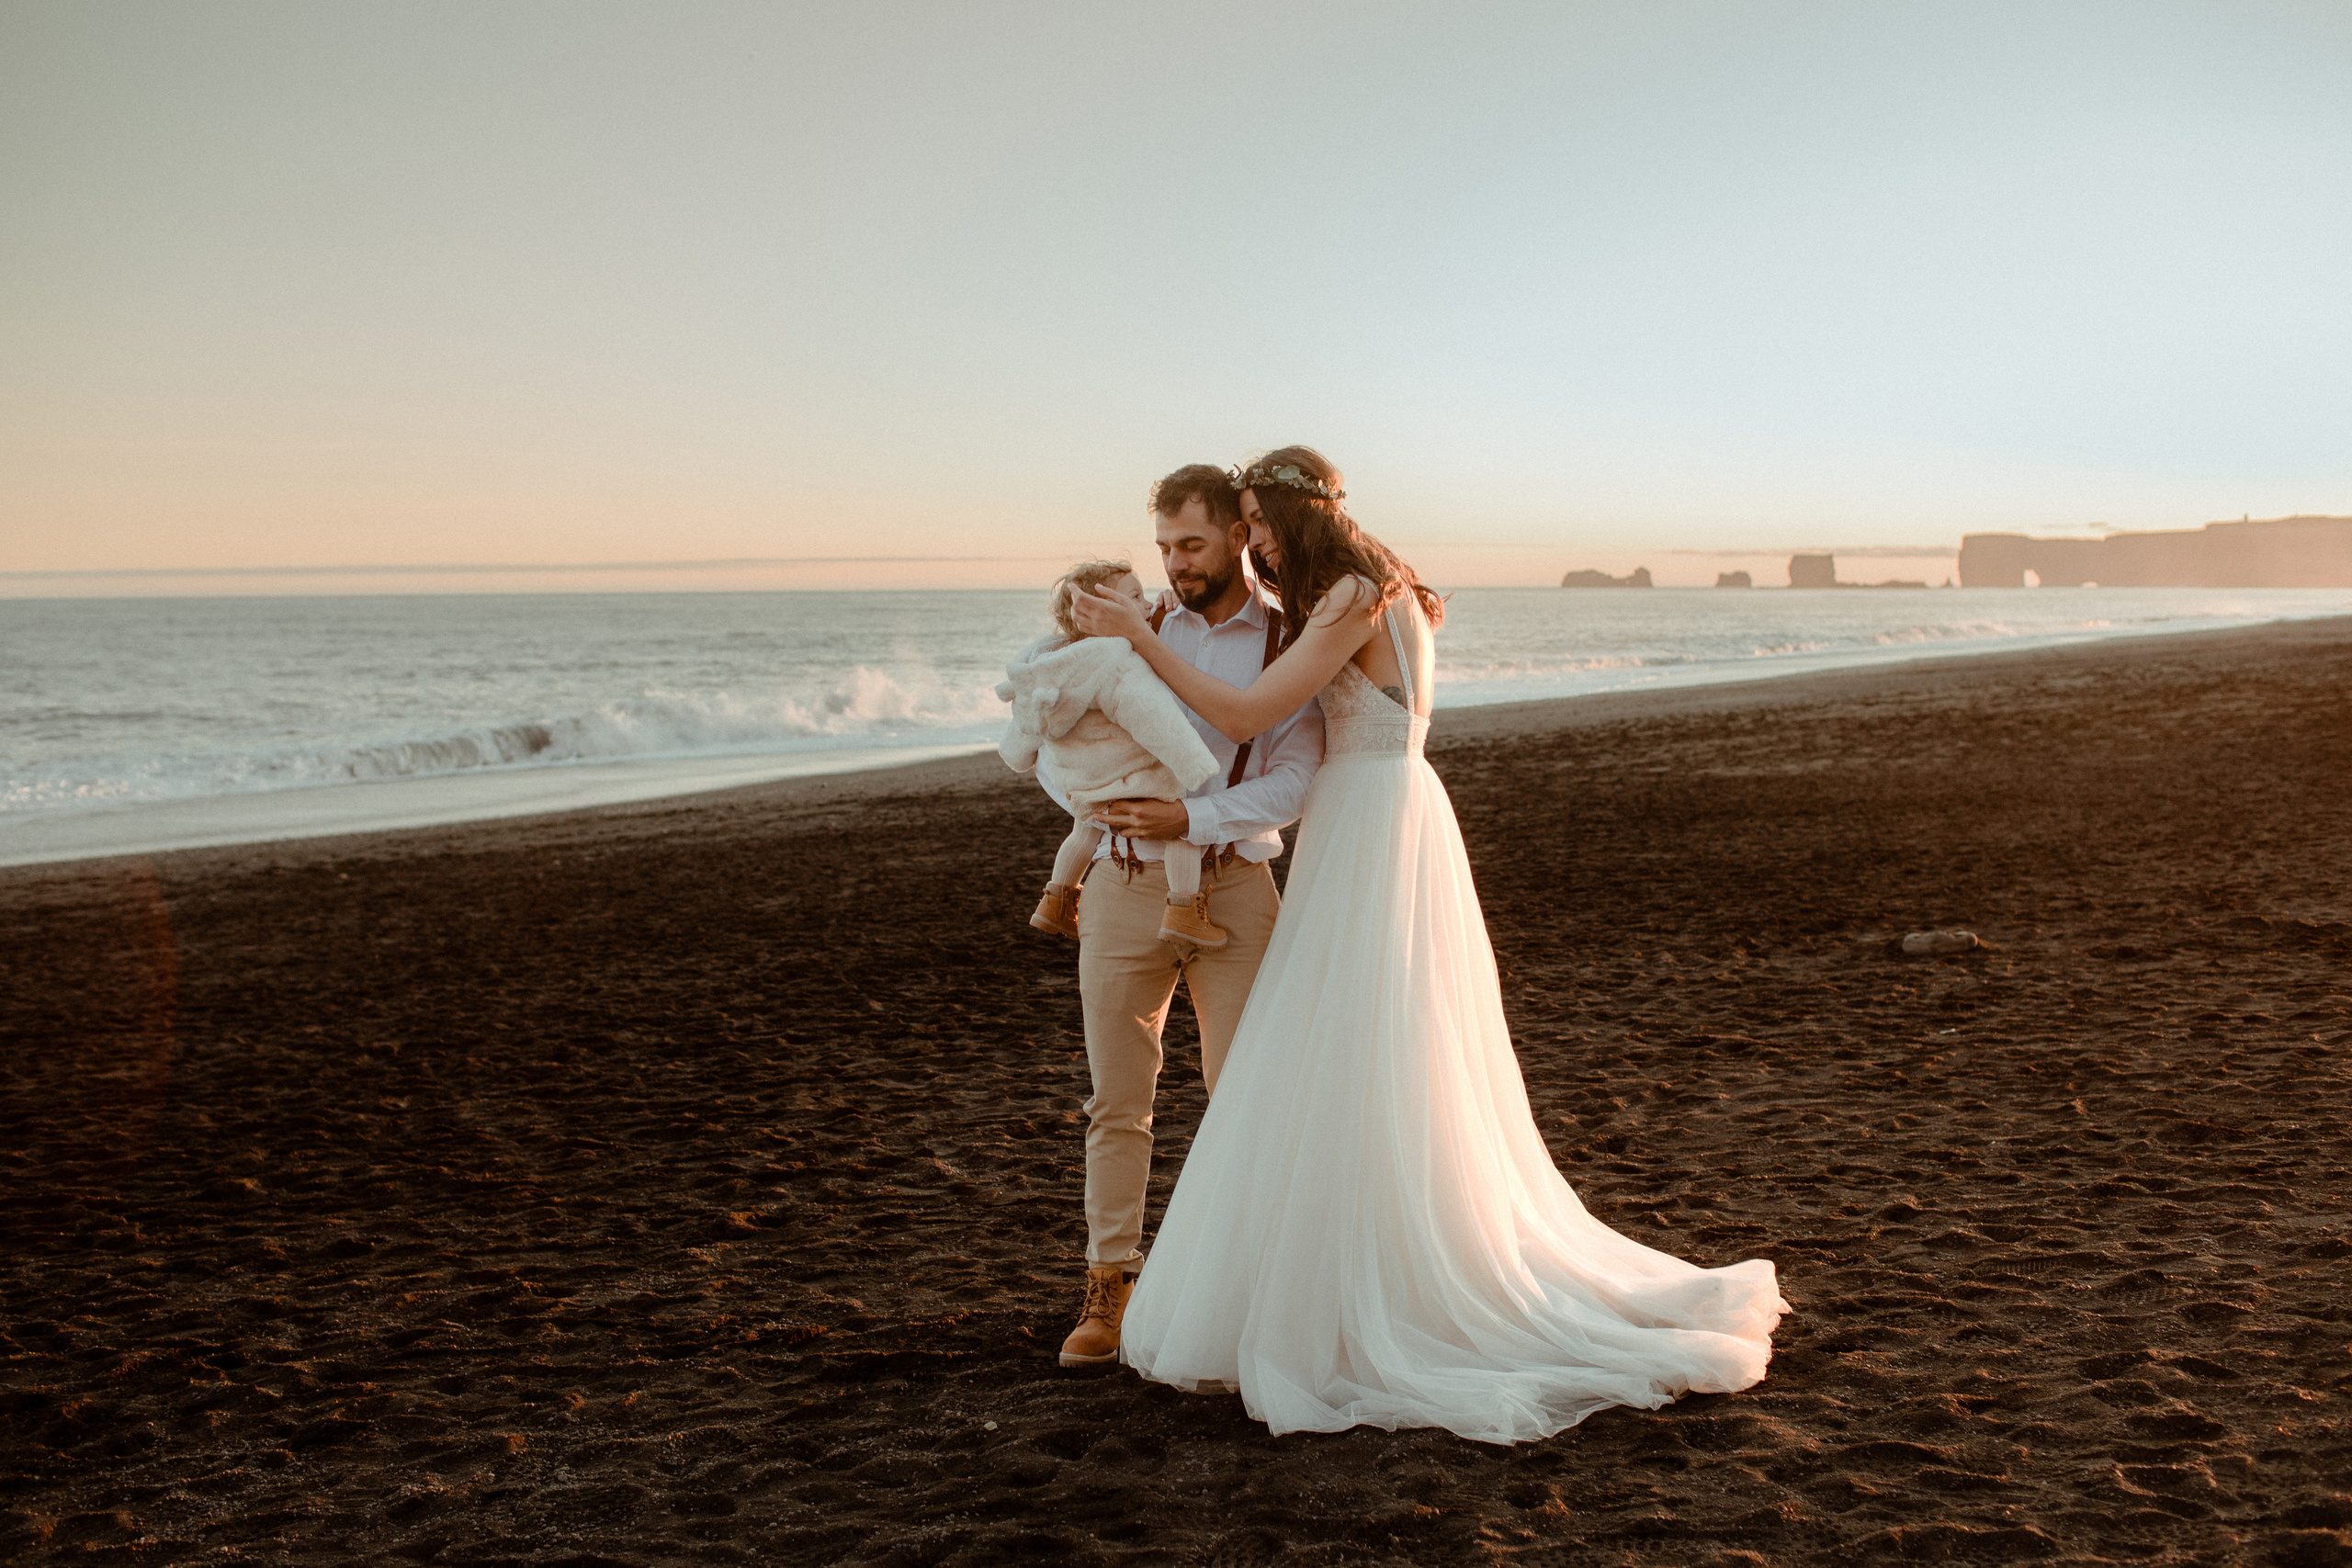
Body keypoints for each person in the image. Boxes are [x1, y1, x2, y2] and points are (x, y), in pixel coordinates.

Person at [1069, 446, 1787, 1443]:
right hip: (1381, 809)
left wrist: (1133, 643)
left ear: (1289, 515)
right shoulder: (1367, 586)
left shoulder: (1353, 595)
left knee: (1356, 1038)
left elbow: (1245, 713)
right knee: (1376, 1044)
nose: (1256, 542)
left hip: (1370, 817)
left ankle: (1370, 1277)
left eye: (1258, 523)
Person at [1047, 465, 1325, 1369]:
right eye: (1163, 546)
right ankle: (1108, 1292)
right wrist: (1097, 810)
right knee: (1115, 1105)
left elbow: (1295, 778)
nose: (1173, 565)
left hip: (1238, 891)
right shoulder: (1132, 630)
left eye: (1192, 545)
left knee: (1244, 1096)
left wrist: (1192, 818)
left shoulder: (1291, 635)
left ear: (1240, 538)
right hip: (1125, 887)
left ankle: (1245, 1292)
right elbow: (1062, 734)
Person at [997, 558, 1227, 949]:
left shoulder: (1053, 663)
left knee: (1084, 829)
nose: (1147, 604)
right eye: (1135, 597)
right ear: (1100, 610)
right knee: (1182, 826)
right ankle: (1184, 911)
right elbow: (1154, 717)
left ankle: (1056, 899)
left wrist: (1014, 754)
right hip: (1134, 775)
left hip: (1086, 783)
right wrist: (1194, 764)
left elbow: (1025, 728)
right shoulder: (1117, 660)